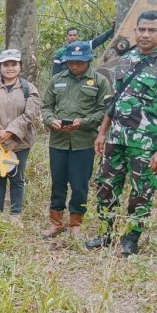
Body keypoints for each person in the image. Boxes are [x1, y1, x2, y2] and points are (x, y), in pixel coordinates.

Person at [86, 10, 157, 256]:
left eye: (152, 30)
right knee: (106, 185)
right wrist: (102, 133)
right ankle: (105, 232)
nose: (145, 34)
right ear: (135, 31)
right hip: (116, 138)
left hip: (146, 142)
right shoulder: (127, 59)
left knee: (142, 191)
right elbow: (115, 100)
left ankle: (131, 238)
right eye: (141, 29)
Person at [41, 41, 112, 238]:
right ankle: (56, 222)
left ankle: (75, 225)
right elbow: (46, 106)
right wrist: (50, 120)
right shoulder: (57, 80)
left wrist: (85, 122)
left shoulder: (99, 81)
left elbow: (105, 110)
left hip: (83, 142)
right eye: (71, 62)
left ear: (89, 61)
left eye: (79, 63)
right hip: (58, 141)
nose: (75, 66)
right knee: (58, 183)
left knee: (80, 184)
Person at [0, 49, 41, 224]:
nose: (10, 68)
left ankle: (15, 214)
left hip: (20, 142)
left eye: (13, 64)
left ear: (20, 66)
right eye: (5, 65)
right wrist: (0, 132)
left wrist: (11, 132)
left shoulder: (29, 89)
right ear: (0, 67)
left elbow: (30, 114)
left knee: (17, 177)